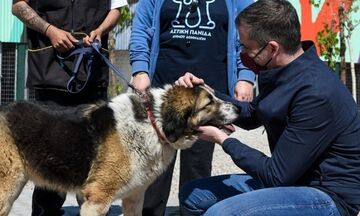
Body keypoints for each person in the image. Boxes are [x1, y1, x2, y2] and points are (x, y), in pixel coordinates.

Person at [175, 0, 360, 215]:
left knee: (221, 213)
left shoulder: (315, 93)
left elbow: (276, 175)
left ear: (272, 48)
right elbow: (254, 114)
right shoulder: (283, 71)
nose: (243, 53)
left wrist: (222, 139)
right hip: (293, 180)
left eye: (246, 47)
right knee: (194, 196)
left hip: (326, 195)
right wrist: (210, 93)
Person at [129, 0, 256, 215]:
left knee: (197, 168)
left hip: (209, 96)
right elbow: (141, 29)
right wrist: (140, 69)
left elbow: (250, 32)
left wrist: (245, 76)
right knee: (154, 168)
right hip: (164, 93)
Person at [11, 0, 127, 215]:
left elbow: (117, 9)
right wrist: (50, 30)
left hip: (92, 72)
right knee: (48, 151)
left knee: (95, 153)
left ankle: (93, 209)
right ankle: (46, 211)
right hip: (48, 70)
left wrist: (100, 31)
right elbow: (17, 6)